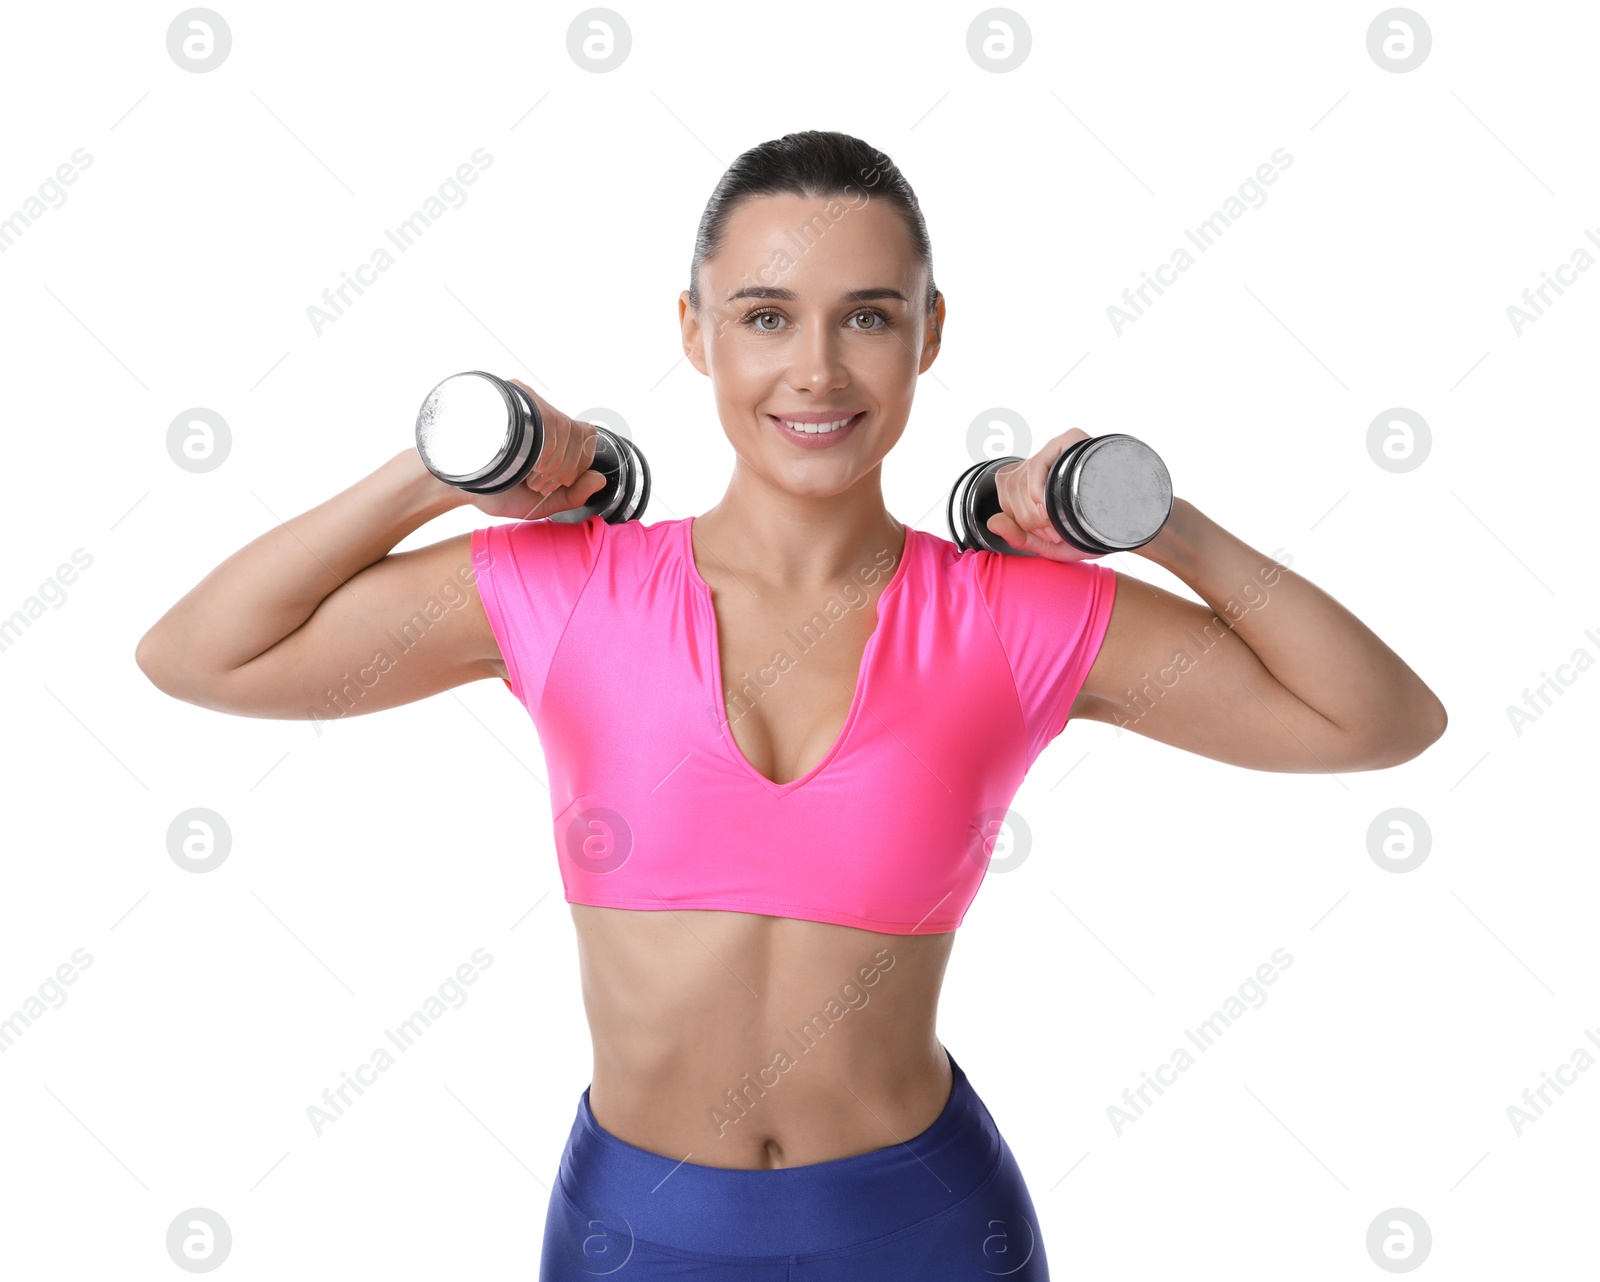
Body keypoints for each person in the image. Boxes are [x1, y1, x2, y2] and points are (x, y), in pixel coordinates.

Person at [135, 130, 1447, 1278]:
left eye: (868, 315)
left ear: (931, 335)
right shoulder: (562, 590)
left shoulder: (1017, 616)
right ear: (695, 329)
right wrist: (442, 475)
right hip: (636, 1233)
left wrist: (1158, 525)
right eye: (765, 315)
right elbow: (200, 654)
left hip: (921, 1224)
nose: (815, 369)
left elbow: (1378, 718)